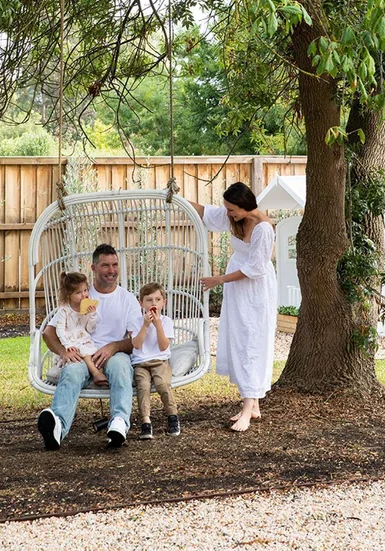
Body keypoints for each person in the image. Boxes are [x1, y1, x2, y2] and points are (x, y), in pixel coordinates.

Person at [190, 181, 276, 432]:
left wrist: (219, 279)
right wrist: (177, 199)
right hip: (238, 289)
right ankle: (253, 404)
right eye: (227, 209)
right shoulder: (234, 218)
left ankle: (247, 410)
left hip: (255, 290)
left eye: (232, 209)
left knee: (252, 341)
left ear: (244, 205)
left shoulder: (263, 228)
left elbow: (256, 269)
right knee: (240, 339)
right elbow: (206, 212)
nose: (228, 213)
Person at [37, 243, 141, 450]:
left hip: (114, 354)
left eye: (115, 265)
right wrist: (64, 352)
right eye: (105, 265)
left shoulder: (127, 299)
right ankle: (57, 426)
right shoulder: (80, 296)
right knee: (72, 372)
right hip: (82, 354)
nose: (111, 271)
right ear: (93, 268)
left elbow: (136, 341)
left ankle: (119, 424)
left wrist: (114, 346)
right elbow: (48, 332)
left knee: (121, 368)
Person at [131, 281, 181, 439]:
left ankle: (172, 416)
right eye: (149, 300)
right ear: (141, 303)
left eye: (158, 300)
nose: (154, 303)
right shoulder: (136, 322)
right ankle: (146, 422)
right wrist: (145, 326)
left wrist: (158, 325)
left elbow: (163, 346)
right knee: (143, 386)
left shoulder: (166, 321)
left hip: (160, 361)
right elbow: (137, 345)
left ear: (163, 302)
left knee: (162, 384)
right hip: (141, 363)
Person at [51, 271, 108, 386]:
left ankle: (96, 376)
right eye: (78, 293)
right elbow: (60, 329)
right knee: (85, 352)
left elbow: (90, 329)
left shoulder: (86, 307)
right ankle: (96, 374)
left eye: (86, 290)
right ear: (68, 295)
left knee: (94, 354)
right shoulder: (64, 310)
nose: (84, 295)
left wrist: (92, 315)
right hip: (71, 340)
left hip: (84, 338)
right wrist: (67, 345)